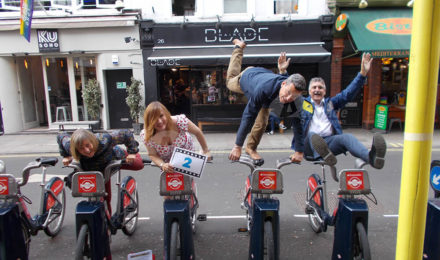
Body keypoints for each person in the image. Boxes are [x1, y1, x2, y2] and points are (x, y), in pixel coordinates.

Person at [294, 52, 386, 169]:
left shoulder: (330, 103)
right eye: (314, 87)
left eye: (320, 87)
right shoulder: (302, 103)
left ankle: (371, 157)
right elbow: (289, 94)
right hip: (309, 146)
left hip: (329, 143)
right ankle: (322, 155)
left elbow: (347, 94)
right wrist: (283, 73)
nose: (317, 90)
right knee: (313, 135)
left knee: (347, 137)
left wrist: (362, 74)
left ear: (325, 92)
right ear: (309, 91)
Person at [226, 39, 306, 165]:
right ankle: (238, 48)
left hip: (264, 76)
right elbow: (248, 116)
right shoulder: (263, 90)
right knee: (230, 81)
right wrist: (237, 146)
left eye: (294, 96)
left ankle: (251, 148)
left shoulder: (291, 95)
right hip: (248, 78)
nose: (288, 99)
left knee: (262, 122)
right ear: (283, 85)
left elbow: (297, 123)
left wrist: (299, 151)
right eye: (288, 93)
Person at [57, 128, 144, 213]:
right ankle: (106, 224)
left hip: (115, 159)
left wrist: (132, 152)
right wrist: (66, 155)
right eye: (81, 148)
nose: (87, 150)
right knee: (103, 197)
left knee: (139, 165)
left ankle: (131, 156)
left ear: (92, 141)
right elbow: (61, 136)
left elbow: (126, 133)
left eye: (87, 145)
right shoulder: (70, 146)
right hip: (96, 170)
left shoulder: (105, 139)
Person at [141, 101, 211, 173]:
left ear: (166, 114)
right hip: (167, 165)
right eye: (154, 119)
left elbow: (197, 132)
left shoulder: (179, 121)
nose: (159, 121)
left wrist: (205, 150)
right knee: (168, 183)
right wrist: (162, 165)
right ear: (149, 121)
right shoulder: (146, 135)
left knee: (187, 181)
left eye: (161, 116)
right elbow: (153, 155)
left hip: (186, 158)